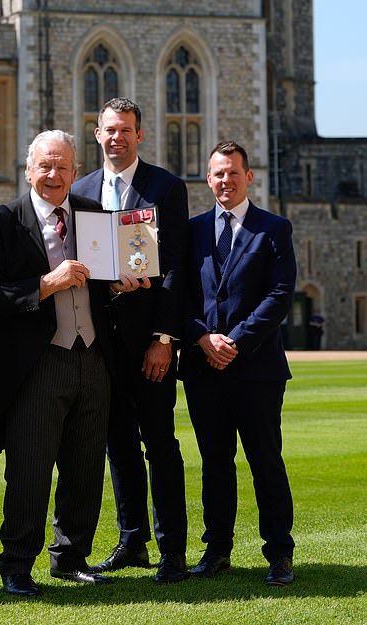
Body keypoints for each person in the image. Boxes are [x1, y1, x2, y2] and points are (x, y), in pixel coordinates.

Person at [0, 129, 137, 597]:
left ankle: (69, 557)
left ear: (75, 171)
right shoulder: (1, 222)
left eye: (63, 166)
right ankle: (17, 564)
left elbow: (108, 282)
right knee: (29, 466)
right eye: (45, 165)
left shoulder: (94, 217)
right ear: (28, 170)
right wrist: (47, 283)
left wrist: (122, 286)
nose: (54, 175)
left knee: (85, 466)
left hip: (94, 358)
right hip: (37, 362)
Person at [72, 97, 189, 583]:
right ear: (96, 135)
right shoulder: (80, 191)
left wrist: (165, 338)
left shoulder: (166, 187)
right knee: (116, 444)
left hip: (149, 342)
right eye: (109, 131)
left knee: (159, 443)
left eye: (126, 131)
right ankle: (132, 541)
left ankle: (172, 551)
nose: (116, 138)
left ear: (140, 135)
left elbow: (178, 267)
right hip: (102, 342)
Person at [178, 140, 297, 586]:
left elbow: (279, 295)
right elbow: (181, 296)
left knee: (266, 460)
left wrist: (237, 342)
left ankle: (280, 553)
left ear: (250, 177)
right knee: (215, 463)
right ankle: (217, 550)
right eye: (217, 174)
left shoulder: (274, 229)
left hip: (257, 368)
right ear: (207, 179)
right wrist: (202, 338)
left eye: (232, 172)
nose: (224, 180)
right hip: (203, 366)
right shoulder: (191, 232)